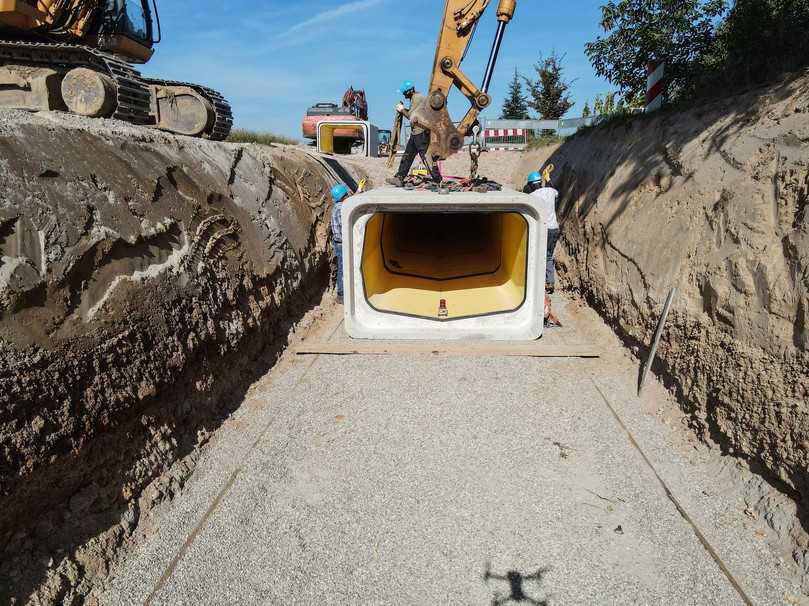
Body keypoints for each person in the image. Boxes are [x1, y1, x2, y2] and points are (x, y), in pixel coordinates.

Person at [385, 80, 442, 187]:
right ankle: (399, 178)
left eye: (404, 92)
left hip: (420, 133)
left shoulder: (417, 98)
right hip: (416, 133)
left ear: (409, 91)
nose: (403, 94)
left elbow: (412, 118)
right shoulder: (415, 98)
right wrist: (403, 110)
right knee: (407, 156)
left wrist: (402, 110)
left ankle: (438, 180)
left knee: (426, 157)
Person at [526, 170, 560, 293]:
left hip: (543, 230)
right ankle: (548, 281)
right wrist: (549, 179)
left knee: (539, 255)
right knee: (548, 256)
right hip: (554, 229)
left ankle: (543, 282)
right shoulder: (551, 191)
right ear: (540, 182)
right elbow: (555, 193)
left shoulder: (532, 196)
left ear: (530, 185)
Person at [330, 183, 351, 304]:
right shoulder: (342, 209)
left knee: (342, 268)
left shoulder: (337, 207)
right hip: (342, 243)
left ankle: (343, 292)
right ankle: (341, 294)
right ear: (343, 196)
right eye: (347, 194)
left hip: (338, 242)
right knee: (343, 269)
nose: (349, 195)